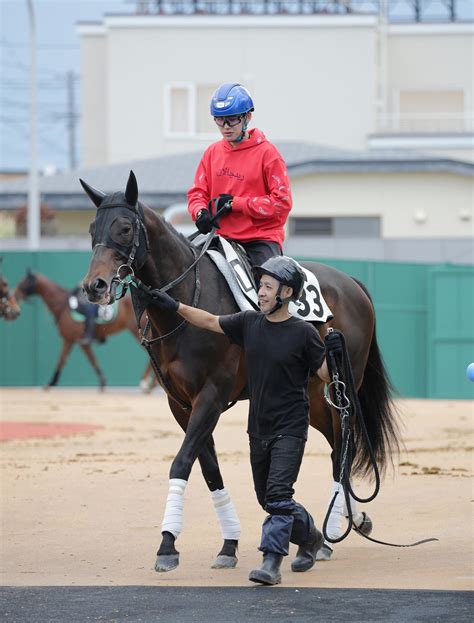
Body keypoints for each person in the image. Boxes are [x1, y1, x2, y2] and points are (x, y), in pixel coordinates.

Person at [149, 255, 330, 585]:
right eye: (260, 286)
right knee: (269, 498)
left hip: (291, 429)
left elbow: (325, 374)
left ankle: (271, 562)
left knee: (276, 495)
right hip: (258, 429)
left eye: (267, 287)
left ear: (286, 293)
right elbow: (208, 321)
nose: (260, 292)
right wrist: (174, 306)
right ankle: (310, 536)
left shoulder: (304, 333)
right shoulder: (249, 323)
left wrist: (333, 351)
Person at [187, 82, 292, 267]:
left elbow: (282, 203)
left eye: (232, 119)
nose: (226, 127)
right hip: (222, 238)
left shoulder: (268, 154)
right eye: (219, 120)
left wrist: (237, 204)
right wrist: (200, 212)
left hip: (261, 240)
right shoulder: (212, 152)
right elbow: (197, 194)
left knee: (268, 290)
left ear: (248, 117)